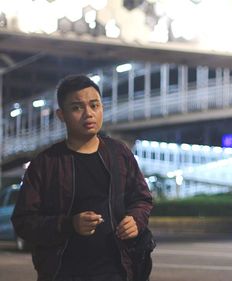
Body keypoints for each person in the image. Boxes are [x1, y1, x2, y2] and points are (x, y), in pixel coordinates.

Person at [11, 74, 153, 281]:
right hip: (63, 272)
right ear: (61, 115)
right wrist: (70, 224)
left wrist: (135, 220)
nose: (89, 114)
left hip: (119, 270)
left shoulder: (119, 153)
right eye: (77, 108)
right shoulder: (46, 163)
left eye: (94, 105)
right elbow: (24, 221)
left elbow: (142, 198)